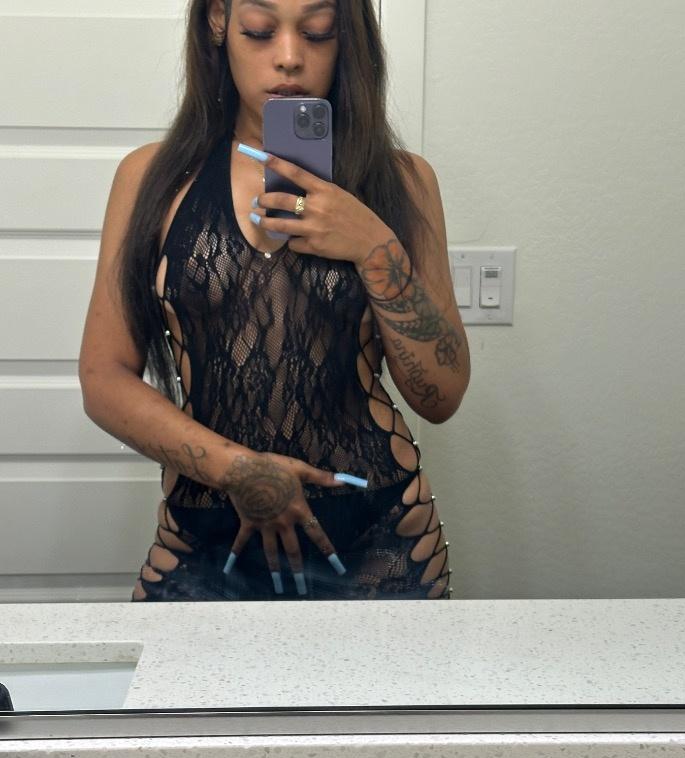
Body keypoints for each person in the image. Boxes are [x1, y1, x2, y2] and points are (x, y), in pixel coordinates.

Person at [79, 0, 470, 602]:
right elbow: (104, 379)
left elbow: (440, 397)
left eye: (318, 33)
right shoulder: (153, 178)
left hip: (377, 543)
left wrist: (374, 248)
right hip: (206, 538)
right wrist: (240, 471)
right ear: (218, 21)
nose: (289, 57)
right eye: (260, 31)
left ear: (347, 40)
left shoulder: (402, 182)